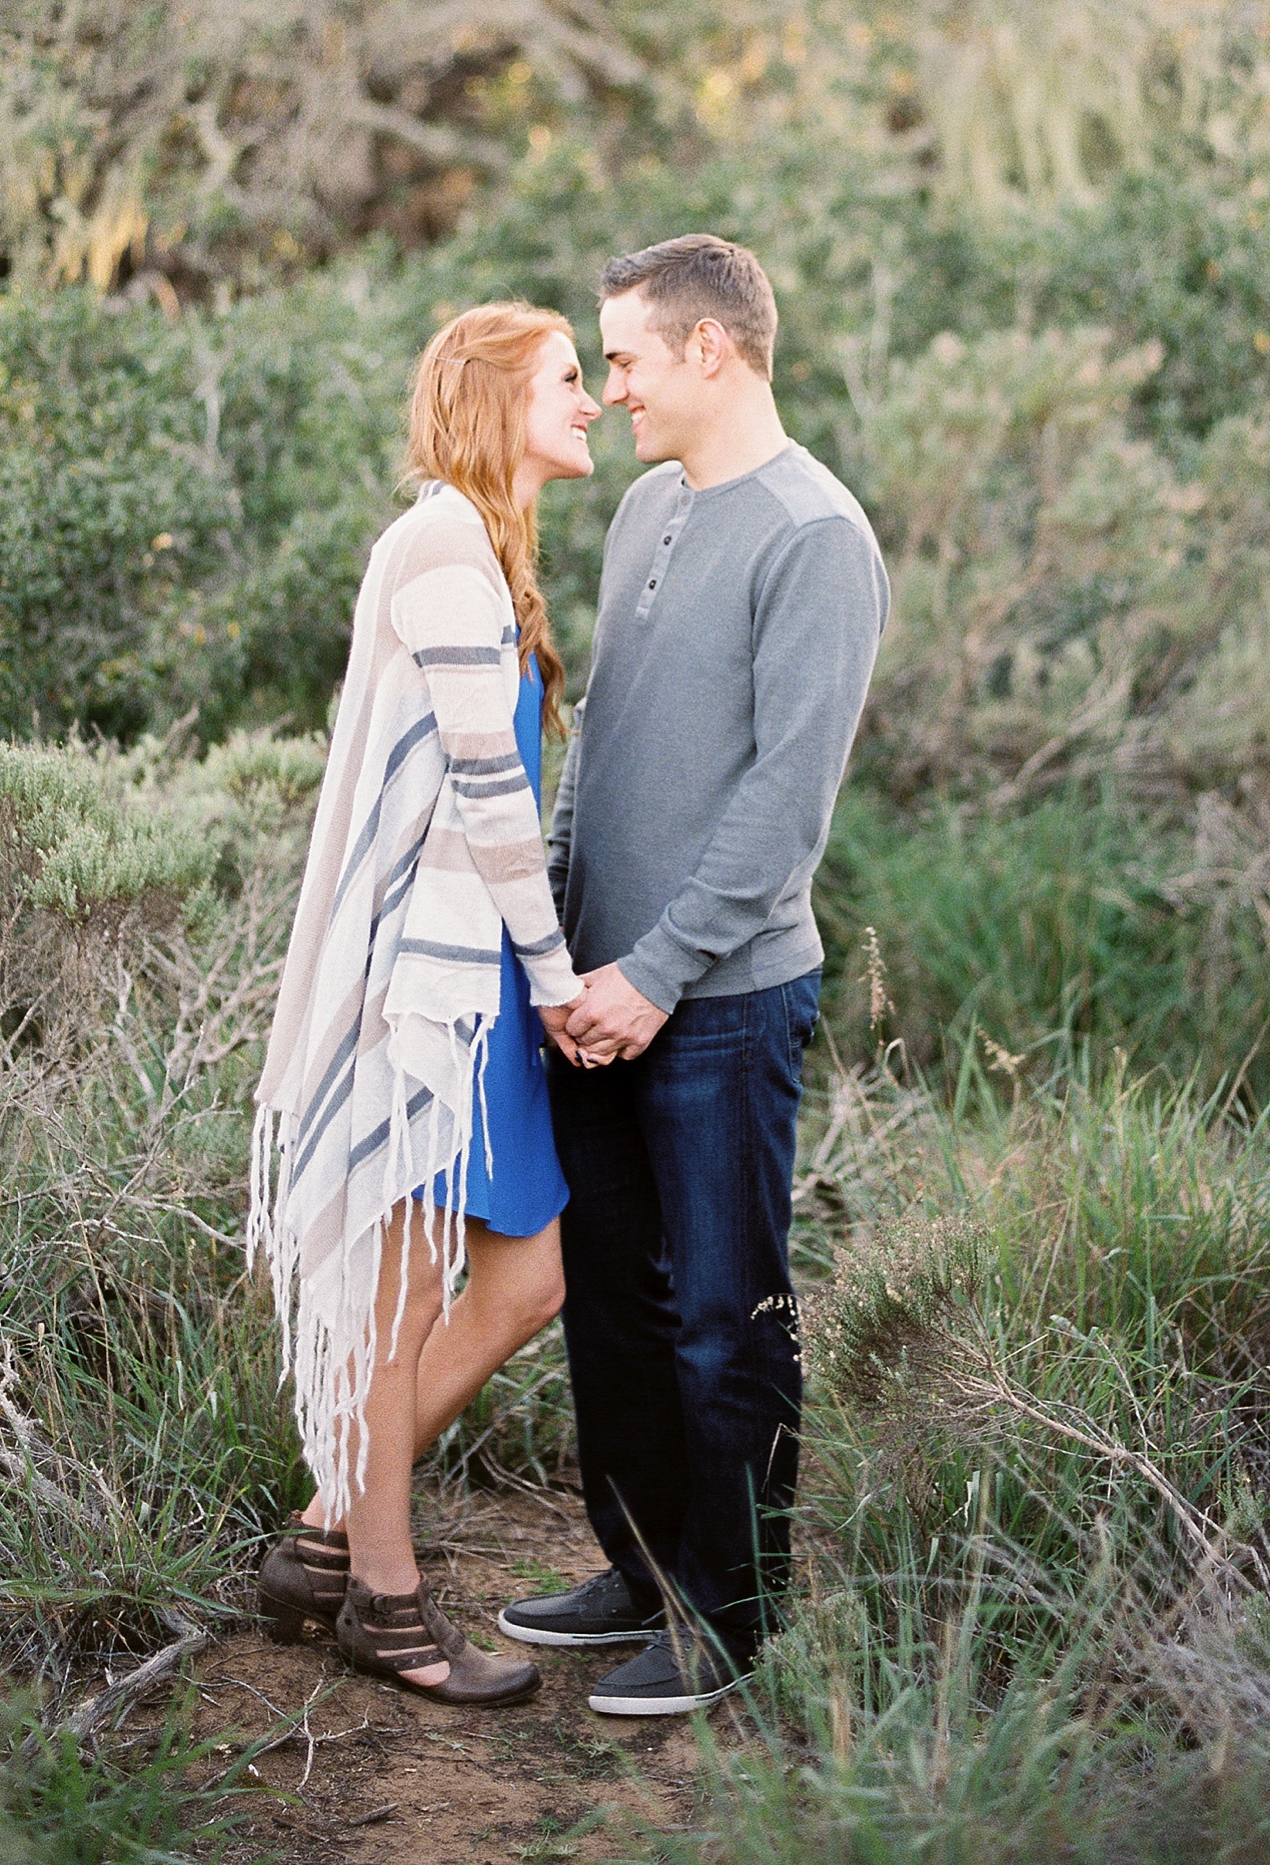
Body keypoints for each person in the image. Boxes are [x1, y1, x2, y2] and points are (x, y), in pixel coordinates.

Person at [498, 235, 890, 1717]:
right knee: (614, 1298)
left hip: (719, 1003)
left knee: (730, 1313)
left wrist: (655, 974)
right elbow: (606, 732)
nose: (614, 390)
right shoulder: (650, 505)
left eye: (630, 357)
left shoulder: (818, 537)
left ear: (711, 350)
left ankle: (731, 1616)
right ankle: (640, 1564)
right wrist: (563, 939)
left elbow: (786, 808)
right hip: (595, 991)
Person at [248, 303, 603, 1707]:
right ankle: (386, 1605)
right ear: (500, 399)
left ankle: (332, 1525)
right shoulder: (445, 553)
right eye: (571, 381)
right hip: (431, 999)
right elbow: (488, 797)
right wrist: (562, 978)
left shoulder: (481, 550)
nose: (591, 403)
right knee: (396, 1302)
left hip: (482, 992)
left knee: (526, 1277)